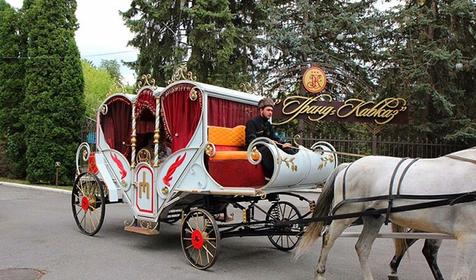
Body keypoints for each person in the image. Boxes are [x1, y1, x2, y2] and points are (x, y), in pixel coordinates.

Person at [245, 97, 296, 179]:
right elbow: (252, 140)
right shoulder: (252, 123)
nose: (270, 112)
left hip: (268, 146)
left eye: (271, 111)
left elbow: (275, 138)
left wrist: (283, 144)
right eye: (268, 110)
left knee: (288, 149)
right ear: (261, 110)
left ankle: (291, 174)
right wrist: (269, 142)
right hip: (256, 148)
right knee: (269, 150)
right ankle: (270, 176)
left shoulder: (268, 124)